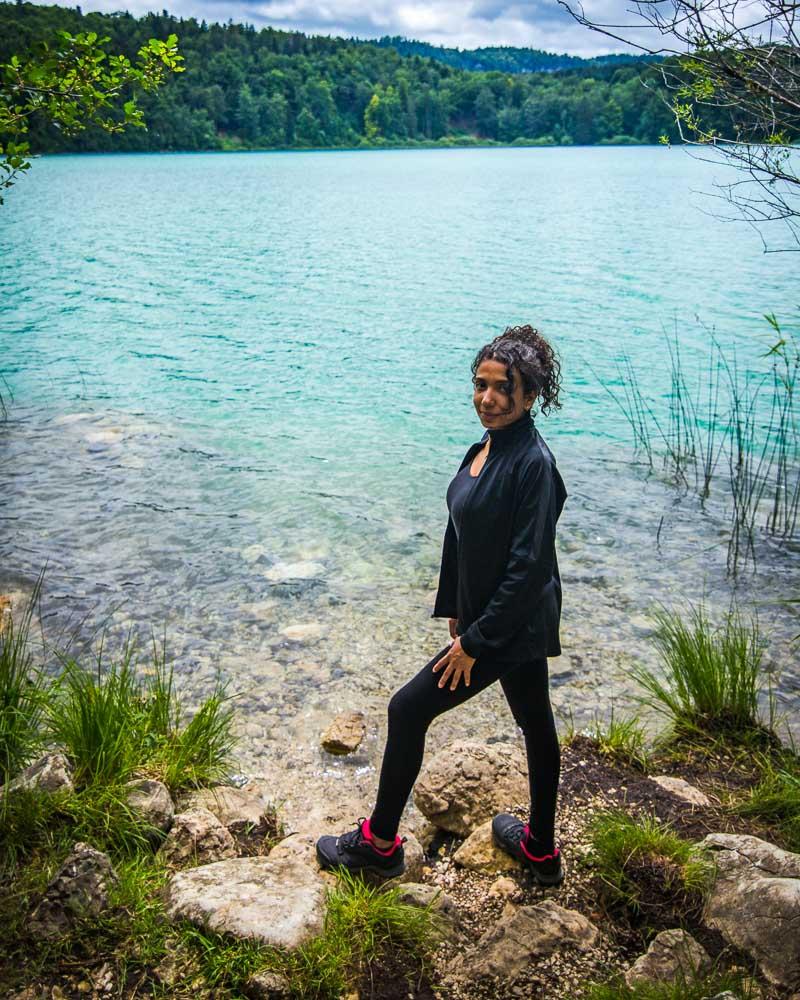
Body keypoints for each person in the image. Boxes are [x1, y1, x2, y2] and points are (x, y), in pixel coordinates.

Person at [316, 324, 567, 886]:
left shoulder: (533, 465)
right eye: (481, 384)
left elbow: (526, 570)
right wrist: (456, 603)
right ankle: (541, 852)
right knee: (535, 722)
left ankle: (378, 846)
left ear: (531, 395)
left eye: (505, 387)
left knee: (408, 709)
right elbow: (462, 530)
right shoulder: (484, 447)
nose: (489, 398)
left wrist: (473, 644)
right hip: (495, 619)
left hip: (510, 625)